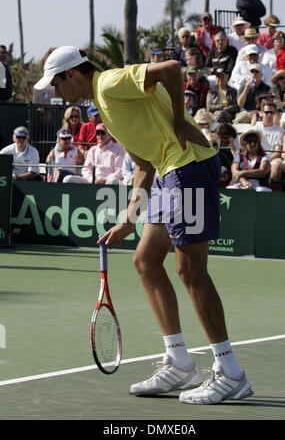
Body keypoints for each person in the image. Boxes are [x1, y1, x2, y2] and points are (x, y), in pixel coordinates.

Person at [34, 45, 253, 405]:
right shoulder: (105, 104)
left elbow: (170, 68)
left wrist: (181, 121)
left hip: (188, 167)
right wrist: (127, 219)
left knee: (189, 269)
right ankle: (180, 363)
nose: (55, 93)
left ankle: (230, 372)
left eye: (56, 85)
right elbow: (143, 167)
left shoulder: (108, 83)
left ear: (71, 74)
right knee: (146, 260)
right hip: (167, 171)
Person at [252, 100, 285, 190]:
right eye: (266, 112)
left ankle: (271, 193)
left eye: (271, 112)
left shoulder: (280, 131)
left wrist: (266, 159)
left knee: (277, 165)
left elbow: (278, 151)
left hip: (272, 158)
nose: (269, 115)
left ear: (275, 114)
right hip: (256, 157)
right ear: (262, 113)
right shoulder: (255, 128)